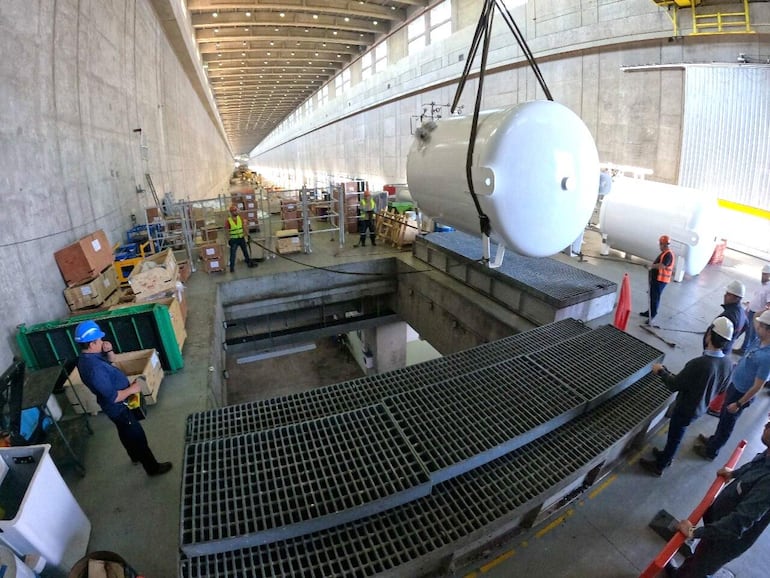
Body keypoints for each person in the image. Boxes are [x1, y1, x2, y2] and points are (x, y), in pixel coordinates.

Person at [667, 416, 770, 578]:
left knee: (699, 570)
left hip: (726, 539)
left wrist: (694, 532)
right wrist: (733, 473)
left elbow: (738, 522)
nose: (765, 425)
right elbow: (754, 466)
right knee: (697, 559)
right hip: (719, 526)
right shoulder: (768, 452)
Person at [74, 320, 172, 476]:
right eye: (99, 340)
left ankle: (134, 457)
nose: (101, 342)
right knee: (138, 436)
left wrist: (109, 350)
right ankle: (153, 469)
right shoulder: (94, 370)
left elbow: (111, 361)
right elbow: (113, 397)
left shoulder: (88, 358)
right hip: (119, 408)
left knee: (125, 431)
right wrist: (133, 389)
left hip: (117, 408)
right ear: (92, 344)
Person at [639, 318, 734, 477]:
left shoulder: (699, 363)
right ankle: (666, 456)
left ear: (709, 334)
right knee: (676, 434)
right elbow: (722, 388)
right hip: (701, 407)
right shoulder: (728, 364)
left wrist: (661, 371)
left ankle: (660, 465)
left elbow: (674, 385)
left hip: (686, 408)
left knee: (676, 435)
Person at [696, 309, 770, 461]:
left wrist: (738, 403)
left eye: (761, 326)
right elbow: (756, 317)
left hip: (741, 394)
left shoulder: (767, 357)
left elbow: (757, 387)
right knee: (723, 417)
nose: (757, 327)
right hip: (735, 385)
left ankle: (712, 451)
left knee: (727, 423)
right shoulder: (760, 340)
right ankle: (713, 440)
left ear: (768, 330)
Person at [702, 280, 747, 355]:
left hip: (715, 351)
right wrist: (733, 337)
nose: (725, 296)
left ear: (737, 298)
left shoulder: (728, 316)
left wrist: (707, 347)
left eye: (728, 294)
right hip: (726, 349)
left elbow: (713, 334)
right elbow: (746, 325)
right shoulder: (742, 312)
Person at [734, 264, 770, 355]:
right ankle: (743, 349)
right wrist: (749, 305)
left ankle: (749, 353)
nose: (763, 276)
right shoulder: (763, 285)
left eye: (765, 274)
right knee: (748, 331)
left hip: (757, 315)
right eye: (763, 274)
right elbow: (757, 298)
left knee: (753, 335)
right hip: (751, 311)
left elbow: (768, 305)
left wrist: (759, 314)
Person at [640, 235, 675, 323]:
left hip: (660, 280)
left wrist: (650, 266)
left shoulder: (668, 254)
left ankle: (652, 315)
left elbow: (662, 266)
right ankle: (649, 312)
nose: (659, 246)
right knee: (652, 296)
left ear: (663, 244)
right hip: (657, 279)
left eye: (660, 244)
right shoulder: (664, 253)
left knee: (655, 297)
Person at [225, 204, 256, 273]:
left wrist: (247, 235)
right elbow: (227, 231)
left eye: (236, 211)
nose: (236, 212)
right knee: (233, 254)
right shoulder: (228, 221)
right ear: (231, 212)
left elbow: (244, 227)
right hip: (234, 240)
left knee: (245, 251)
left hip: (241, 238)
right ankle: (232, 268)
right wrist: (228, 240)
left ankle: (248, 262)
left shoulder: (240, 218)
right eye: (234, 211)